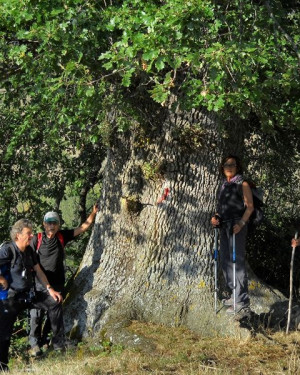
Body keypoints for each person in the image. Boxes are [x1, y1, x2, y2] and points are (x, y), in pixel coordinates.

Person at [28, 205, 98, 356]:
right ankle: (34, 344)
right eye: (49, 222)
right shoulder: (37, 239)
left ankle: (46, 340)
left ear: (58, 225)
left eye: (54, 223)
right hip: (39, 283)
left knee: (54, 313)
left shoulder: (62, 236)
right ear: (44, 224)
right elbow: (29, 260)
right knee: (36, 313)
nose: (52, 225)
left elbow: (82, 228)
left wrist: (93, 213)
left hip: (57, 282)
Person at [0, 219, 64, 372]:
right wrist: (1, 279)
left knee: (54, 302)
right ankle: (3, 366)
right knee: (4, 334)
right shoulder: (8, 249)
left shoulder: (28, 251)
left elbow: (39, 270)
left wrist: (50, 289)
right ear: (18, 235)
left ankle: (59, 347)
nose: (32, 236)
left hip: (29, 295)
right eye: (28, 233)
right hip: (10, 299)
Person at [211, 155, 254, 314]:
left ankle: (241, 300)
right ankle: (233, 294)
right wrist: (216, 217)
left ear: (237, 167)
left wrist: (241, 224)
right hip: (224, 226)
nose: (229, 167)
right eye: (226, 165)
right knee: (225, 260)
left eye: (232, 164)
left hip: (237, 225)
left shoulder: (242, 184)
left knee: (238, 262)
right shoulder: (223, 186)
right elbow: (221, 208)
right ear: (222, 168)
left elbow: (249, 207)